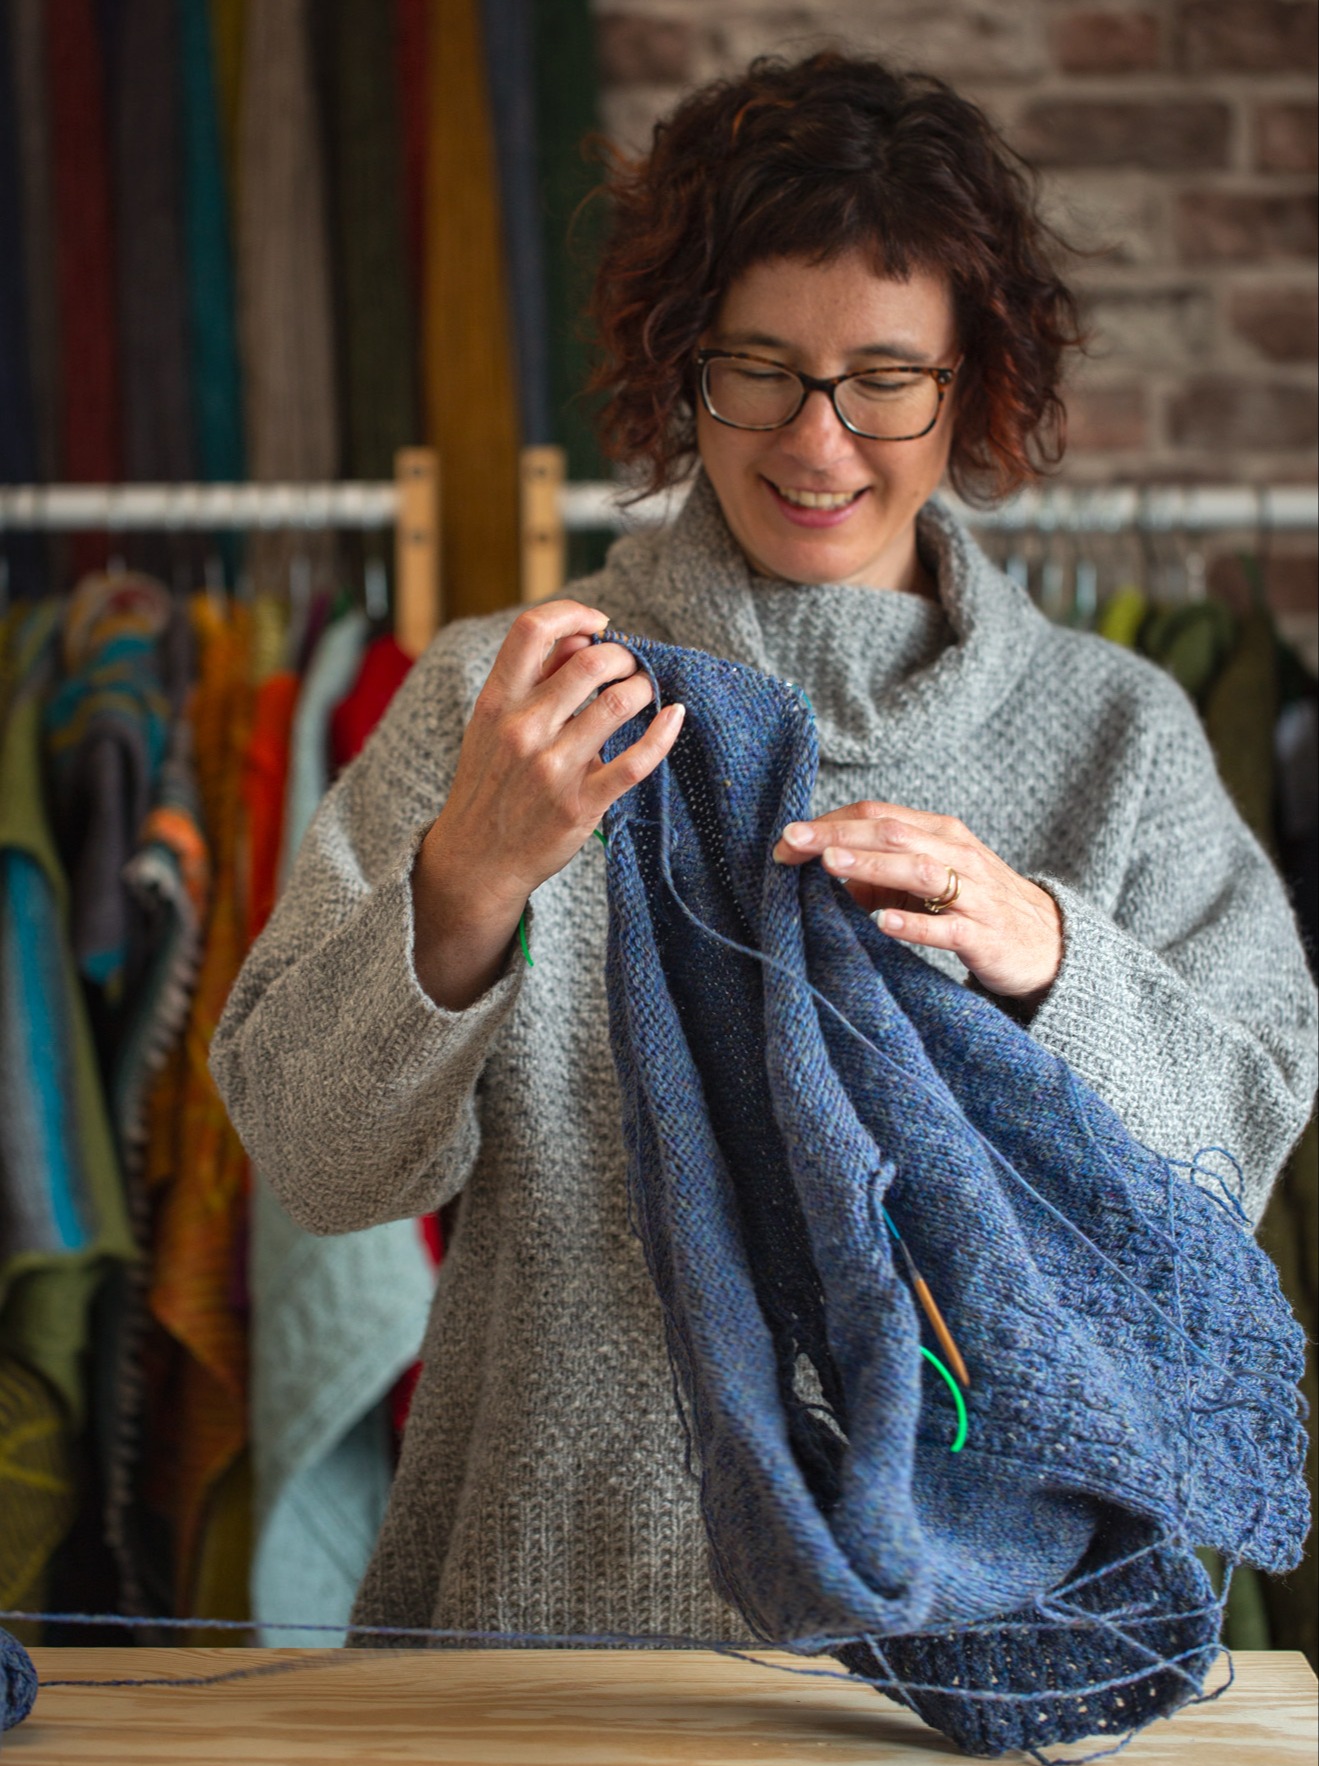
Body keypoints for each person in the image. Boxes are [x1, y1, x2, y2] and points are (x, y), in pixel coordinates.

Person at [211, 53, 1317, 1646]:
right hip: (560, 1627)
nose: (819, 441)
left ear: (973, 380)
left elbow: (1245, 1138)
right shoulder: (505, 695)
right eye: (762, 369)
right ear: (684, 366)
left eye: (884, 377)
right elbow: (315, 1163)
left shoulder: (1115, 736)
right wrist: (468, 880)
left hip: (994, 1660)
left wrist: (1049, 952)